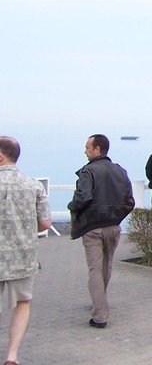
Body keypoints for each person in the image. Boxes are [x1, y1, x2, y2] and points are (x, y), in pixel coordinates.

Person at [68, 134, 134, 329]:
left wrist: (72, 206)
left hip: (93, 228)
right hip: (113, 227)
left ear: (97, 149)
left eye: (87, 147)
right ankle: (100, 303)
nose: (85, 151)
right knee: (106, 267)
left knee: (95, 270)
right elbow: (129, 201)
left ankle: (100, 316)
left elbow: (82, 198)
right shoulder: (120, 171)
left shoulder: (89, 171)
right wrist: (116, 217)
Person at [0, 136, 51, 365]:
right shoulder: (33, 185)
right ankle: (12, 356)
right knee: (23, 303)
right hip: (23, 255)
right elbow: (45, 223)